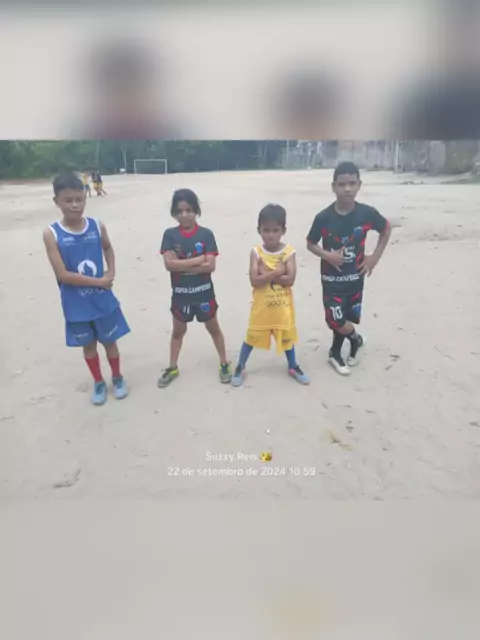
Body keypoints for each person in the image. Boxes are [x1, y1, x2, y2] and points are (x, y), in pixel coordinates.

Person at [43, 172, 130, 405]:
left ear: (85, 198)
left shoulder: (96, 226)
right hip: (76, 304)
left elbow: (108, 248)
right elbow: (63, 275)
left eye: (79, 199)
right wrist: (100, 282)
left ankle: (117, 377)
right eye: (68, 200)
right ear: (57, 202)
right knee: (88, 346)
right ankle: (98, 381)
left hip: (102, 301)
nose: (75, 205)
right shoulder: (52, 234)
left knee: (110, 342)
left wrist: (111, 272)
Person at [306, 161, 391, 376]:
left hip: (355, 277)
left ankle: (335, 352)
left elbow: (386, 229)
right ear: (333, 186)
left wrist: (374, 258)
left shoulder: (367, 214)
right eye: (342, 184)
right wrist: (328, 255)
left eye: (352, 183)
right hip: (331, 280)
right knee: (334, 319)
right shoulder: (323, 218)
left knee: (345, 316)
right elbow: (310, 243)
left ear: (359, 185)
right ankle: (356, 339)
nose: (347, 189)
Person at [158, 188, 231, 387]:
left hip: (204, 293)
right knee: (178, 332)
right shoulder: (170, 235)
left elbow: (210, 266)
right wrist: (198, 260)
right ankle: (172, 366)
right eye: (180, 211)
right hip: (181, 295)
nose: (185, 215)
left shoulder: (206, 235)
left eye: (189, 210)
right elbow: (169, 265)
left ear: (196, 211)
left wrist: (181, 264)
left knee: (213, 329)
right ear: (174, 213)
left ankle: (224, 362)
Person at [231, 204, 310, 387]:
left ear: (283, 230)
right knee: (251, 338)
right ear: (259, 230)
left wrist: (265, 274)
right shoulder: (256, 252)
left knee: (287, 338)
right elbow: (254, 280)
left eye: (275, 230)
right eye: (266, 230)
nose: (271, 235)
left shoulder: (288, 252)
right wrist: (277, 272)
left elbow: (290, 280)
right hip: (262, 309)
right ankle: (240, 366)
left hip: (283, 308)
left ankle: (293, 366)